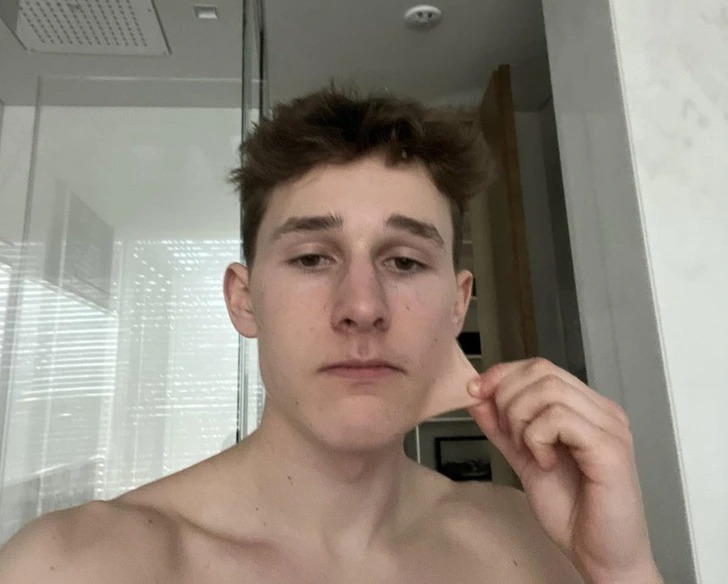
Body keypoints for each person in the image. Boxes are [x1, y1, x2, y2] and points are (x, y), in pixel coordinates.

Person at [0, 88, 663, 584]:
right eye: (313, 258)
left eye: (404, 262)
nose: (363, 307)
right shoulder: (74, 566)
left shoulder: (536, 546)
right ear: (244, 300)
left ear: (457, 306)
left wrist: (624, 571)